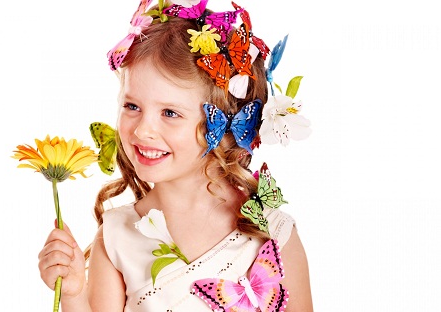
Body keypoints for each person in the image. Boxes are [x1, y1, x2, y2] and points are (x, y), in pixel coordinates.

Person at [38, 1, 313, 311]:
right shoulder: (117, 236)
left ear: (224, 126)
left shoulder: (272, 233)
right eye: (132, 106)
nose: (143, 130)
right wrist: (75, 293)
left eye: (170, 112)